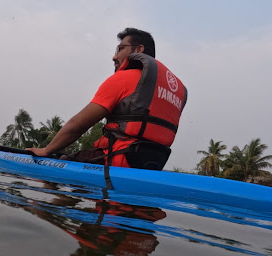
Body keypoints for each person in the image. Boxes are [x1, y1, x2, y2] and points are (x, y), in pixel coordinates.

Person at [27, 28, 187, 170]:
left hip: (116, 161)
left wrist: (46, 150)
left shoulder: (124, 79)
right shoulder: (174, 92)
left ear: (138, 50)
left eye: (120, 49)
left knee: (63, 164)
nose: (114, 56)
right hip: (150, 166)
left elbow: (77, 126)